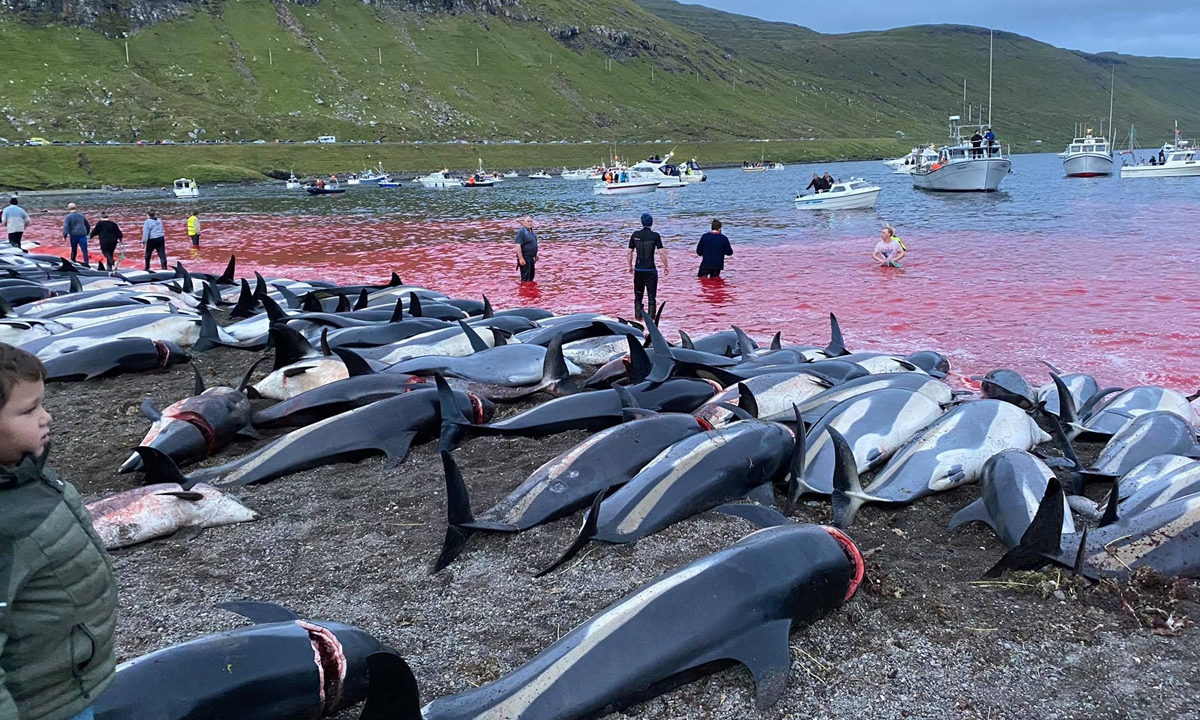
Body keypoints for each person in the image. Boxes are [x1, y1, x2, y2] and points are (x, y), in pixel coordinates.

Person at [0, 343, 119, 720]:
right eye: (29, 410)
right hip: (40, 706)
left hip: (66, 685)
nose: (46, 417)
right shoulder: (6, 524)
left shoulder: (23, 474)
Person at [628, 212, 668, 320]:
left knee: (638, 295)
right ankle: (651, 319)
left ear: (642, 222)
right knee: (651, 295)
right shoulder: (655, 236)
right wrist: (666, 266)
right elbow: (661, 253)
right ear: (651, 223)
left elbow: (629, 252)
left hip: (638, 269)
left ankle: (638, 317)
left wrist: (630, 266)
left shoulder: (635, 235)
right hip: (650, 269)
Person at [513, 216, 538, 283]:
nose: (530, 223)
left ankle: (530, 292)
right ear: (523, 222)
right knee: (526, 278)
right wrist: (521, 258)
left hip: (531, 258)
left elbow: (533, 243)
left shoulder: (531, 231)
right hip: (525, 257)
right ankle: (524, 291)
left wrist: (536, 255)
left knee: (531, 277)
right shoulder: (522, 231)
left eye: (531, 221)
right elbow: (518, 245)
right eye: (528, 221)